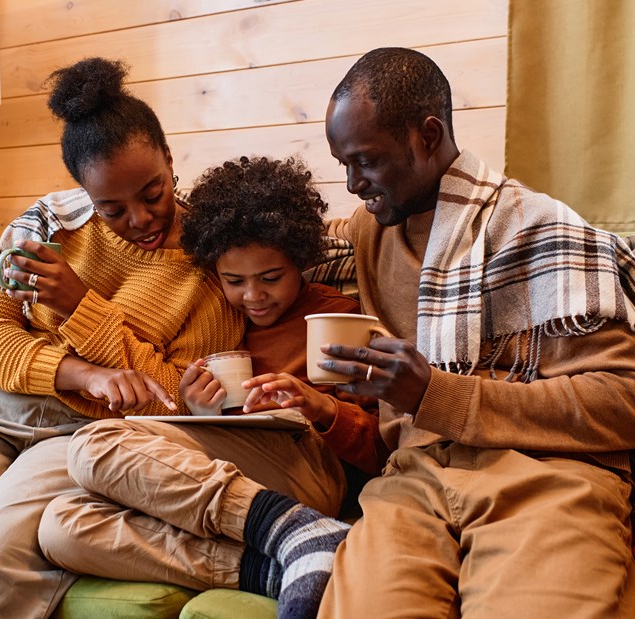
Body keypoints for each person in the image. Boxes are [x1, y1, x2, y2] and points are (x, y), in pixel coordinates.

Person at [0, 57, 244, 618]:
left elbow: (175, 395)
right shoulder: (49, 227)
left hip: (85, 439)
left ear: (170, 160)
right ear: (84, 192)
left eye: (153, 193)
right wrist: (87, 373)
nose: (142, 219)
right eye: (113, 209)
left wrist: (80, 306)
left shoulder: (212, 264)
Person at [310, 46, 635, 617]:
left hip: (549, 479)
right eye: (343, 165)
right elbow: (261, 245)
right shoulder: (372, 230)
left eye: (367, 161)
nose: (353, 182)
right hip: (413, 482)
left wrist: (435, 395)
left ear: (428, 136)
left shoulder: (544, 230)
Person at [38, 155, 387, 619]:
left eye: (270, 278)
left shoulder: (334, 318)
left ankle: (292, 530)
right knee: (63, 527)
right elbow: (199, 426)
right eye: (234, 281)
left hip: (310, 464)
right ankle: (287, 560)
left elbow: (386, 447)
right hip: (233, 474)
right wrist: (197, 408)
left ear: (300, 262)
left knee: (91, 446)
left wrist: (321, 408)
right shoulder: (216, 326)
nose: (254, 296)